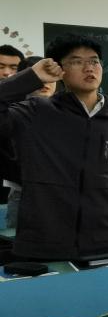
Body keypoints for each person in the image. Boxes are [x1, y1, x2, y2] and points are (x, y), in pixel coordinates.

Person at [0, 35, 108, 260]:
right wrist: (32, 77)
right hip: (45, 240)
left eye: (94, 61)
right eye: (77, 61)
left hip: (107, 238)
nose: (89, 68)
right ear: (60, 70)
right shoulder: (36, 112)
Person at [3, 56, 57, 230]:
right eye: (38, 76)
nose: (45, 82)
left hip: (64, 197)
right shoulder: (10, 114)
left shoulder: (69, 113)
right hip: (23, 194)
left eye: (51, 76)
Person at [0, 44, 26, 203]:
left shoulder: (30, 104)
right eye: (1, 67)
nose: (6, 72)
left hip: (18, 187)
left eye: (14, 68)